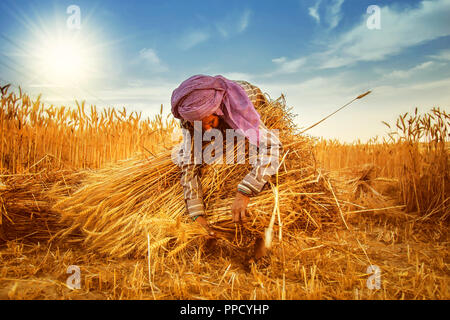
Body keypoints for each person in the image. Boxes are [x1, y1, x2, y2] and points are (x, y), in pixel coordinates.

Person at [171, 75, 282, 260]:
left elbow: (273, 147)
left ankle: (261, 240)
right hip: (219, 116)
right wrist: (197, 216)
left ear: (217, 110)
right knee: (212, 163)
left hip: (249, 106)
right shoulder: (189, 117)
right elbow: (189, 169)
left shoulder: (240, 106)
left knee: (257, 164)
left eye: (209, 122)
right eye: (198, 125)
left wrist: (244, 193)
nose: (207, 131)